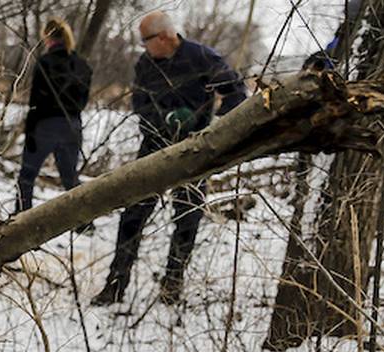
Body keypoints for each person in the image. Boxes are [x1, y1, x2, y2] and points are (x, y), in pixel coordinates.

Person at [91, 11, 246, 307]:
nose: (143, 46)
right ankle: (114, 286)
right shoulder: (146, 63)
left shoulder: (202, 57)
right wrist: (164, 120)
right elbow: (139, 103)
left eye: (145, 40)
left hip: (195, 150)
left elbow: (236, 91)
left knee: (187, 218)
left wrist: (216, 128)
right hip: (154, 147)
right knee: (132, 217)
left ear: (163, 37)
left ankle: (172, 286)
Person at [15, 17, 93, 214]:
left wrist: (29, 131)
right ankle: (84, 220)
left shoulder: (44, 62)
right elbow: (82, 102)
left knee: (27, 176)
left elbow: (35, 102)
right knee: (69, 178)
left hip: (44, 125)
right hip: (71, 126)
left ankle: (21, 218)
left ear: (47, 38)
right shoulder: (82, 65)